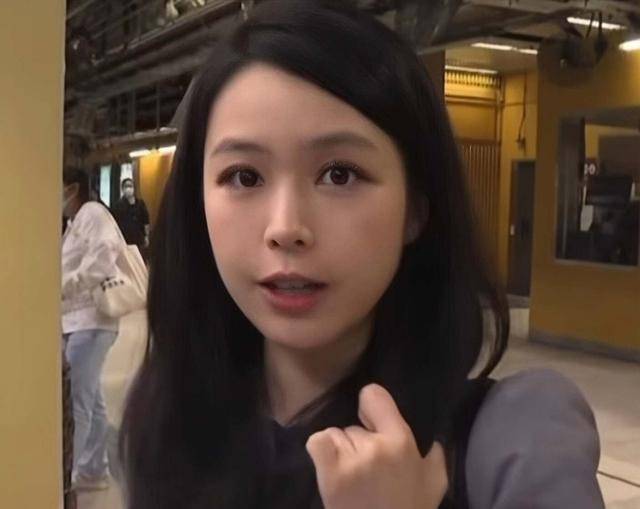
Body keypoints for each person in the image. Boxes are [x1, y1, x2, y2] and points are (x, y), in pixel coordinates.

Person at [120, 1, 604, 508]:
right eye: (244, 176)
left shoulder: (514, 441)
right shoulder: (168, 420)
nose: (286, 229)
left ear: (416, 208)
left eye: (339, 174)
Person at [62, 167, 121, 491]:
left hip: (92, 321)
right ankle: (94, 470)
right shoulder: (75, 222)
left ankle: (66, 476)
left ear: (72, 188)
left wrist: (68, 285)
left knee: (76, 404)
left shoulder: (92, 214)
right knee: (91, 399)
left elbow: (105, 252)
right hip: (78, 322)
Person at [112, 178, 150, 257]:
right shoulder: (118, 206)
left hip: (138, 239)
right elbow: (115, 223)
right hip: (125, 241)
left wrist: (146, 236)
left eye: (130, 186)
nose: (128, 188)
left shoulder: (140, 204)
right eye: (126, 186)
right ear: (123, 189)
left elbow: (146, 221)